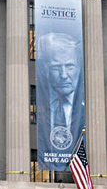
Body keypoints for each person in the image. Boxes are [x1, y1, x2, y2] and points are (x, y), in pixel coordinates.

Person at [35, 32, 84, 168]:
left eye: (70, 66)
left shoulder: (86, 110)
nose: (64, 75)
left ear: (78, 68)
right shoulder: (40, 105)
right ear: (45, 70)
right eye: (56, 67)